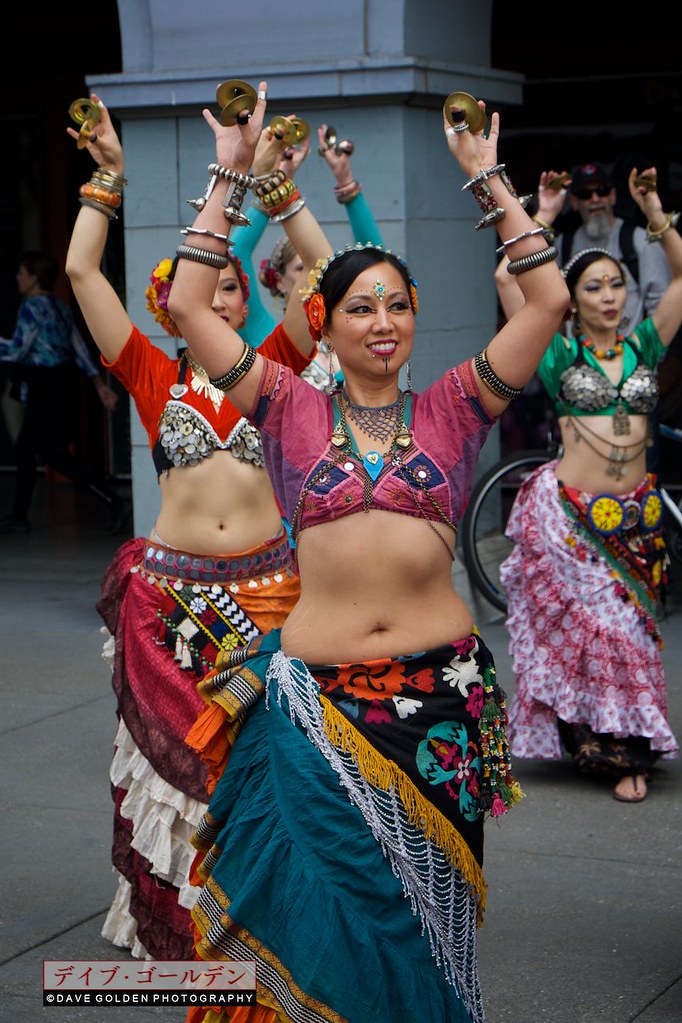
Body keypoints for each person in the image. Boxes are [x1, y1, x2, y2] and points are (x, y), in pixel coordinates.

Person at [166, 82, 569, 1023]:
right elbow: (189, 301)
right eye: (360, 307)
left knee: (431, 921)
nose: (382, 321)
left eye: (398, 305)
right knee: (325, 921)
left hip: (439, 704)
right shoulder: (288, 407)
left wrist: (487, 179)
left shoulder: (456, 406)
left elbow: (545, 297)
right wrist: (231, 165)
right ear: (330, 323)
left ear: (415, 318)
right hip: (318, 708)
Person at [64, 93, 333, 960]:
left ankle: (258, 909)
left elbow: (325, 272)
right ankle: (178, 923)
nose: (217, 294)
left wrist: (277, 186)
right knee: (172, 770)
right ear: (172, 299)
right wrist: (108, 176)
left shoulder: (273, 366)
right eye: (201, 283)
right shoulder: (149, 370)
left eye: (229, 284)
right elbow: (78, 273)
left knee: (264, 764)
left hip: (269, 591)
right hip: (170, 596)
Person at [496, 169, 682, 804]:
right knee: (596, 637)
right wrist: (543, 215)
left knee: (631, 634)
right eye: (594, 286)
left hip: (635, 519)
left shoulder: (644, 347)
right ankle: (607, 749)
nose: (610, 295)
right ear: (570, 299)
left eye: (618, 285)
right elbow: (507, 283)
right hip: (571, 520)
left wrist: (653, 209)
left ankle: (628, 746)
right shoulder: (557, 355)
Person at [235, 121, 383, 390]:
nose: (320, 275)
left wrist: (345, 180)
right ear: (279, 281)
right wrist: (270, 186)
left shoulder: (356, 331)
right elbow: (234, 255)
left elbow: (378, 265)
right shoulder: (264, 333)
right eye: (301, 268)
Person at [0, 250, 122, 534]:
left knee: (52, 455)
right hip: (61, 384)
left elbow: (18, 349)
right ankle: (18, 515)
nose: (17, 277)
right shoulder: (60, 307)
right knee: (28, 450)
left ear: (33, 278)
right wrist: (100, 385)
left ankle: (113, 500)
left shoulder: (31, 309)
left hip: (43, 386)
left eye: (22, 272)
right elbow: (79, 348)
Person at [526, 163, 671, 335]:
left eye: (602, 191)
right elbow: (544, 303)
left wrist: (645, 354)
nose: (595, 199)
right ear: (574, 201)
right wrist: (545, 214)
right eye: (585, 194)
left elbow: (662, 303)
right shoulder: (562, 245)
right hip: (576, 357)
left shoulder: (639, 240)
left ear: (613, 196)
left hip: (630, 355)